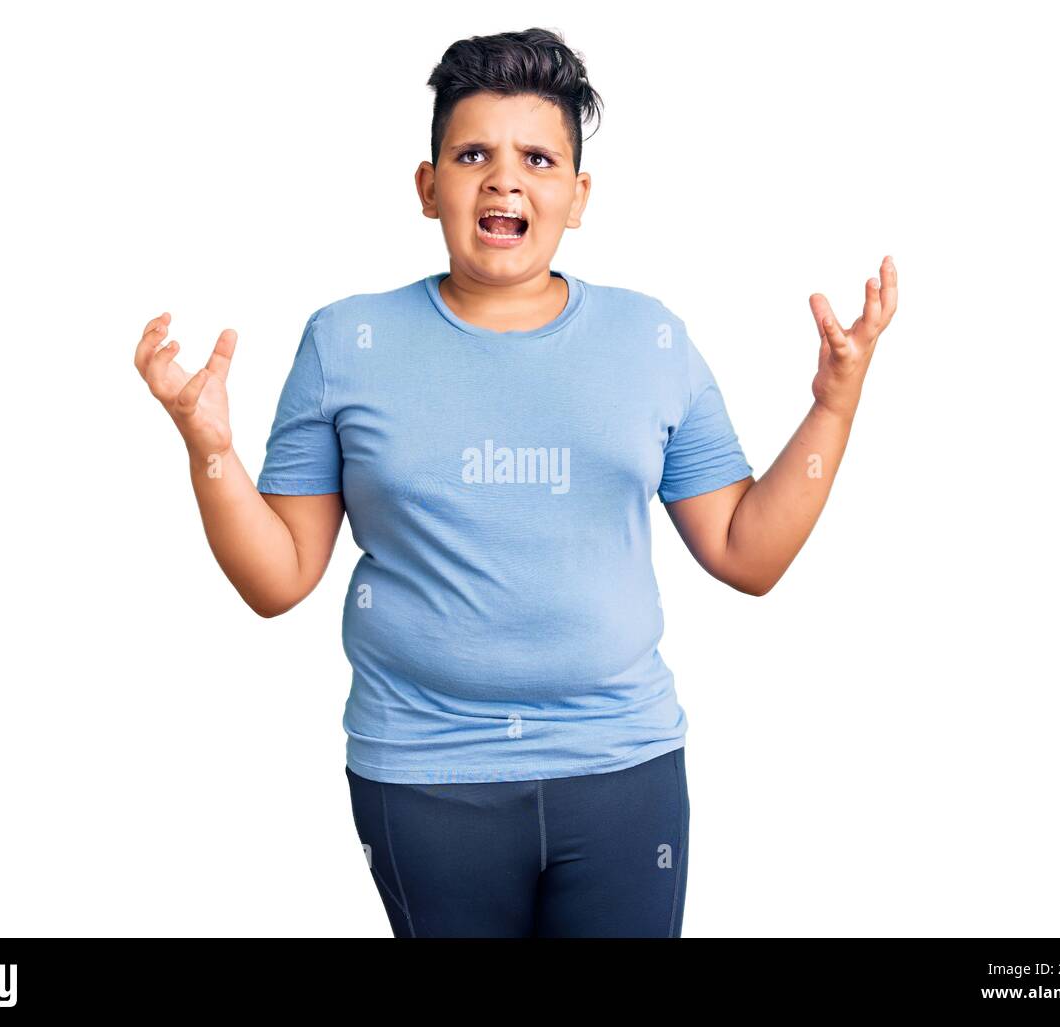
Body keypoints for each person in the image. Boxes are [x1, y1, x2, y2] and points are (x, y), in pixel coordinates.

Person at [131, 27, 898, 938]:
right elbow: (278, 578)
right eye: (472, 154)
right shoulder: (346, 343)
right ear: (429, 188)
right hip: (423, 777)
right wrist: (210, 449)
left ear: (577, 196)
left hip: (624, 771)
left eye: (538, 157)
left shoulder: (649, 341)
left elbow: (748, 551)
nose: (504, 179)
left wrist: (835, 407)